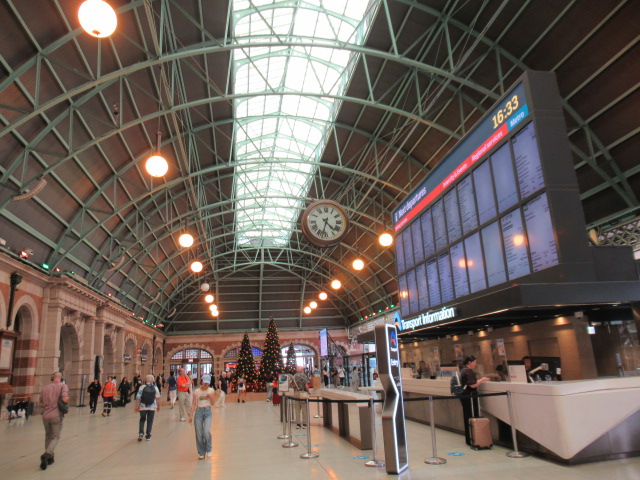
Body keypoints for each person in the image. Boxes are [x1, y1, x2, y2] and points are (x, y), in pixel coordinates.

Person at [39, 372, 69, 470]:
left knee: (48, 435)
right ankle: (47, 454)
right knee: (55, 437)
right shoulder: (63, 386)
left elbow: (41, 401)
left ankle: (50, 458)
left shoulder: (45, 388)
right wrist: (66, 400)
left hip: (45, 415)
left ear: (53, 378)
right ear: (60, 378)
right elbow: (65, 398)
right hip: (56, 415)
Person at [459, 355, 489, 446]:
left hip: (464, 395)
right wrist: (482, 380)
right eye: (474, 362)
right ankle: (474, 438)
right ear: (469, 362)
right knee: (472, 415)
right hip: (470, 396)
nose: (475, 364)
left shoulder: (463, 370)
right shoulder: (468, 371)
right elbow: (472, 385)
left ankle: (470, 439)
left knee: (467, 415)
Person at [188, 374, 215, 459]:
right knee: (199, 433)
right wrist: (191, 415)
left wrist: (210, 397)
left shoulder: (211, 390)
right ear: (202, 382)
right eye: (205, 382)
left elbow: (213, 403)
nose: (206, 384)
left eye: (208, 382)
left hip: (207, 411)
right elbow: (193, 404)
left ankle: (209, 449)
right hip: (199, 412)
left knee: (206, 431)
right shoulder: (197, 391)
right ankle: (201, 452)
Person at [134, 374, 161, 441]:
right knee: (150, 421)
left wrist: (136, 406)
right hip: (152, 407)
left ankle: (141, 433)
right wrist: (158, 406)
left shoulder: (142, 387)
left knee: (142, 420)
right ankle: (148, 435)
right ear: (153, 380)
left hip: (143, 406)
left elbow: (138, 397)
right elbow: (158, 398)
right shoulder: (155, 387)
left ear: (146, 380)